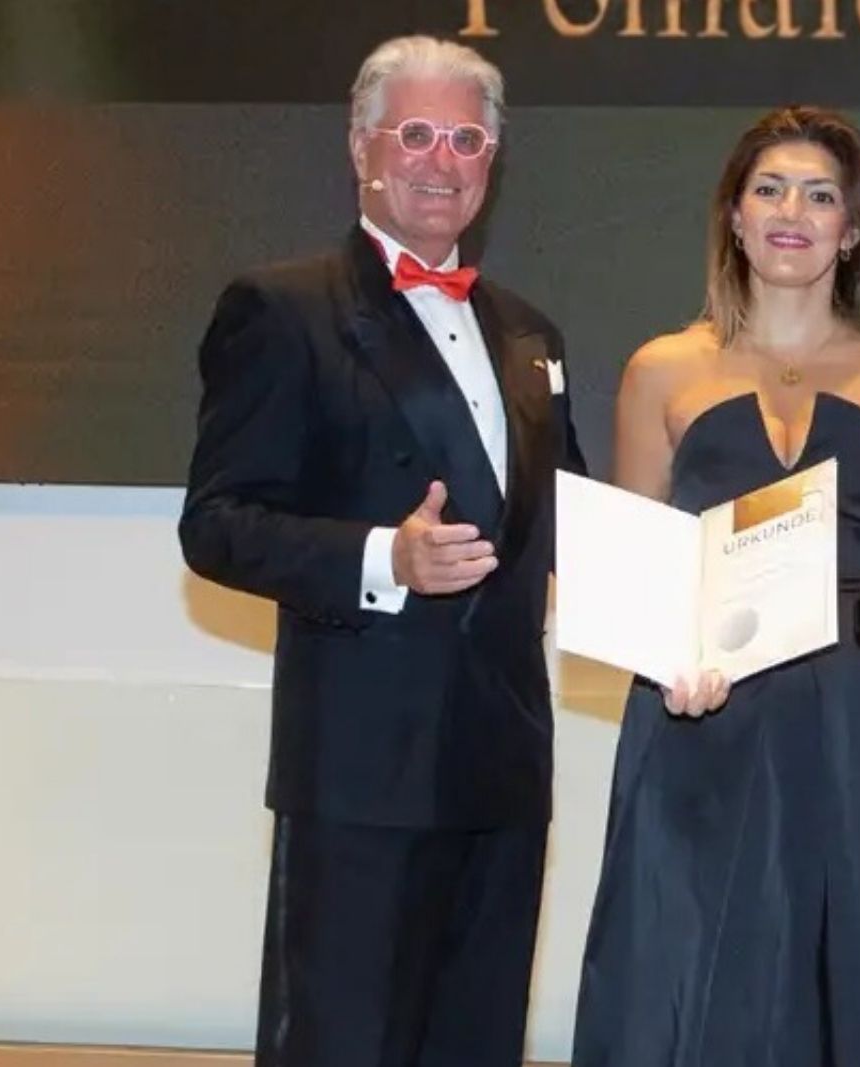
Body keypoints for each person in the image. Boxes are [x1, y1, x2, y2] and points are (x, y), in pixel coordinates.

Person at [179, 35, 583, 1067]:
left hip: (503, 767)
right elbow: (217, 522)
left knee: (477, 1043)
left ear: (493, 162)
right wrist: (382, 559)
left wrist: (709, 604)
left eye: (467, 140)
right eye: (415, 134)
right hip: (362, 772)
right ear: (360, 146)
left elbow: (573, 526)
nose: (441, 161)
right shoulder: (283, 309)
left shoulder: (530, 333)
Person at [572, 105, 860, 1067]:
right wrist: (667, 661)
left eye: (821, 195)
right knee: (703, 980)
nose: (793, 212)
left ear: (853, 229)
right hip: (709, 714)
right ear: (735, 218)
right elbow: (636, 565)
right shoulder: (661, 368)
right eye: (770, 189)